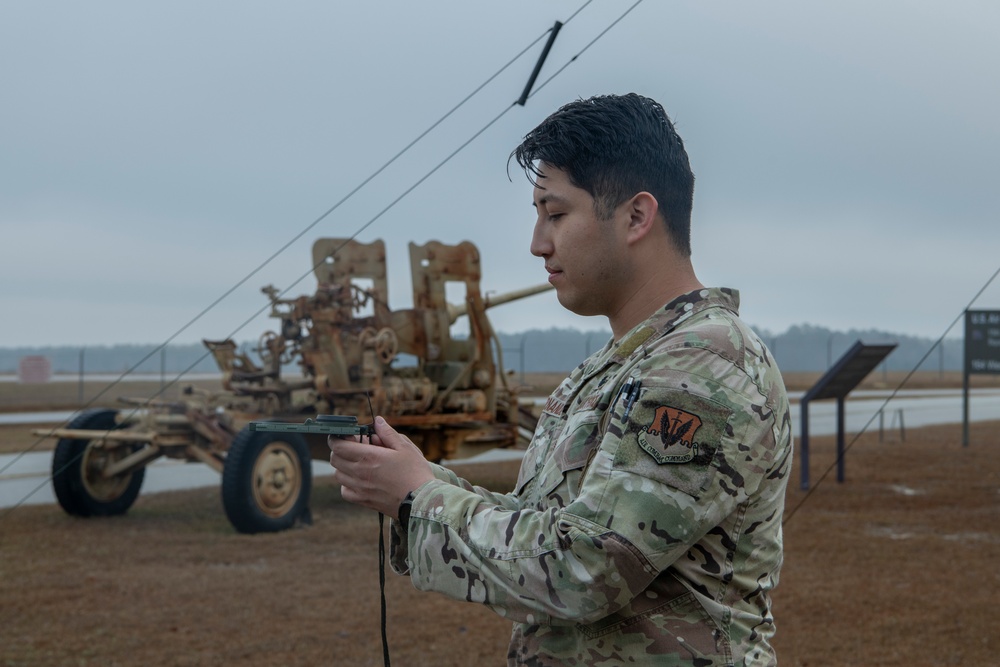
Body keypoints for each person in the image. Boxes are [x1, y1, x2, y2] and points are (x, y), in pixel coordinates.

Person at [328, 93, 792, 666]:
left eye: (555, 213)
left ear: (636, 217)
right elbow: (552, 527)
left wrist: (420, 499)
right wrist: (416, 476)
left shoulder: (703, 365)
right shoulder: (620, 365)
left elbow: (585, 567)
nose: (536, 242)